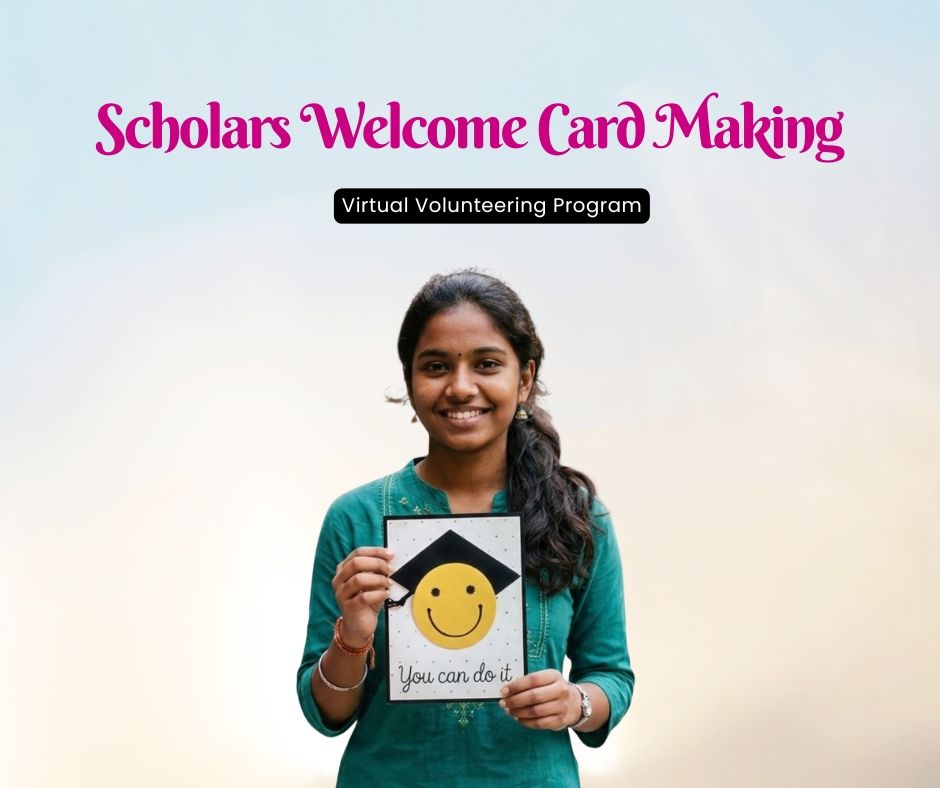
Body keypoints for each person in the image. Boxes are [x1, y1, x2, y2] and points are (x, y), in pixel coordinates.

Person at [297, 270, 634, 787]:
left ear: (524, 379)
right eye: (436, 366)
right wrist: (353, 637)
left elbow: (611, 675)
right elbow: (328, 715)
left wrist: (576, 702)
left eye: (487, 364)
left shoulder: (579, 515)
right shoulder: (357, 518)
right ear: (410, 382)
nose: (459, 387)